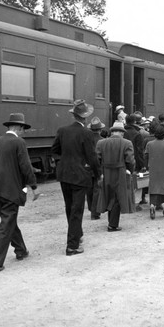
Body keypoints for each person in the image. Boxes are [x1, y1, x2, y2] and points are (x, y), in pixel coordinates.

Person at [0, 113, 39, 273]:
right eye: (23, 129)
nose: (24, 132)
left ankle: (21, 250)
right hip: (12, 192)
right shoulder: (19, 142)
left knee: (9, 221)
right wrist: (34, 186)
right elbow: (25, 166)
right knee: (6, 225)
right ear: (18, 128)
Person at [51, 100, 100, 256]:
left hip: (64, 175)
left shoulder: (62, 130)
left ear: (74, 115)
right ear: (85, 118)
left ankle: (77, 237)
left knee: (69, 208)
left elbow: (54, 150)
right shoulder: (87, 133)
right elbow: (92, 157)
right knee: (77, 210)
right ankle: (72, 246)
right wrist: (98, 173)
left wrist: (64, 162)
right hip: (80, 176)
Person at [96, 122, 135, 231]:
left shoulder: (101, 143)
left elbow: (97, 159)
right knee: (117, 197)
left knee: (108, 196)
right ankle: (112, 225)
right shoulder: (127, 143)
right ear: (122, 132)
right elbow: (130, 161)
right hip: (120, 172)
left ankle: (111, 222)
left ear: (112, 132)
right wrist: (130, 171)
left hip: (106, 171)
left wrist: (100, 173)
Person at [86, 117, 106, 220]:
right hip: (99, 168)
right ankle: (95, 212)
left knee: (89, 190)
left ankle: (91, 208)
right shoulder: (103, 141)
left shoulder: (86, 139)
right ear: (100, 130)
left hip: (87, 168)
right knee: (97, 190)